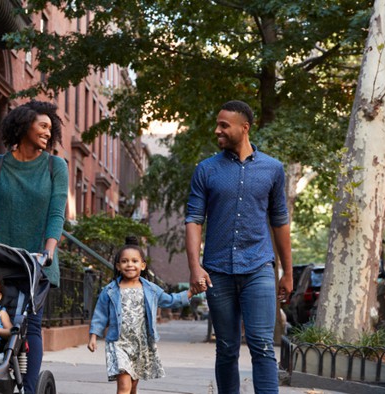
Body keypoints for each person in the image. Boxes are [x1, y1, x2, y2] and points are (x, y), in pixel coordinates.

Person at [185, 100, 293, 394]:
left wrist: (287, 272)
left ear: (244, 128)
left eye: (224, 125)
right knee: (227, 348)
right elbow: (193, 220)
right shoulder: (206, 170)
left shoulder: (272, 169)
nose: (217, 130)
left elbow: (280, 221)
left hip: (258, 268)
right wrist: (195, 267)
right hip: (218, 271)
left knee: (261, 346)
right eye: (217, 124)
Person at [0, 100, 67, 393]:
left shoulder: (56, 166)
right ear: (24, 124)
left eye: (50, 129)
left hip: (37, 262)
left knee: (31, 326)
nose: (47, 132)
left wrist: (49, 249)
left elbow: (56, 213)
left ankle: (28, 388)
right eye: (42, 125)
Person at [88, 244, 193, 394]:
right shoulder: (110, 290)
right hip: (119, 343)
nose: (129, 264)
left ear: (142, 265)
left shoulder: (150, 289)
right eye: (124, 261)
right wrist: (93, 336)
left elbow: (170, 300)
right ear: (118, 266)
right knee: (124, 386)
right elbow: (100, 314)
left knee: (133, 385)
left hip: (140, 343)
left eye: (134, 261)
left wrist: (190, 293)